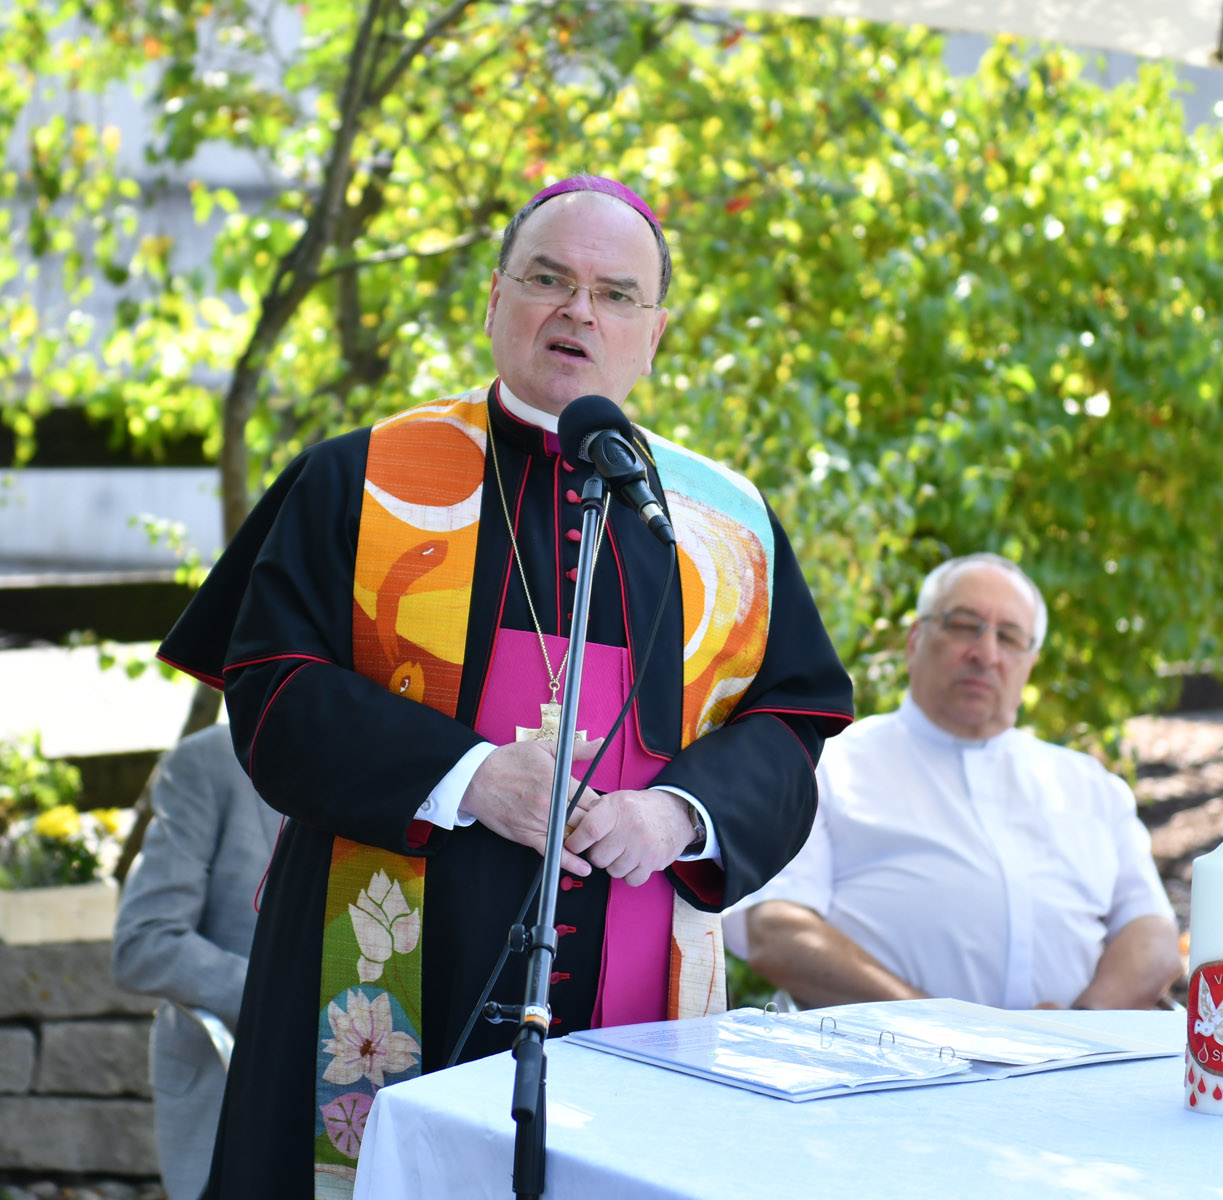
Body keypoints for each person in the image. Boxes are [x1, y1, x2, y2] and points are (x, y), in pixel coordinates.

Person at [157, 174, 854, 1197]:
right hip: (375, 979)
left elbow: (792, 722)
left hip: (636, 979)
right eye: (548, 278)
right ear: (494, 300)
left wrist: (679, 813)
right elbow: (271, 689)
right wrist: (471, 776)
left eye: (617, 294)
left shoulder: (723, 525)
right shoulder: (362, 477)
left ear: (654, 332)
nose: (580, 311)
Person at [729, 553, 1180, 1011]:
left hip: (1073, 1071)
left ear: (1029, 664)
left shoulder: (1089, 785)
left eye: (1009, 637)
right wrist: (946, 1030)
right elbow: (777, 930)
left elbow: (1154, 936)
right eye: (964, 625)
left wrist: (1077, 1031)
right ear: (914, 640)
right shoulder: (825, 768)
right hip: (883, 1071)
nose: (985, 654)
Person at [111, 724, 279, 1200]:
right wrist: (281, 999)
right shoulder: (207, 762)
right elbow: (143, 942)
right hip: (232, 1089)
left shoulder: (394, 768)